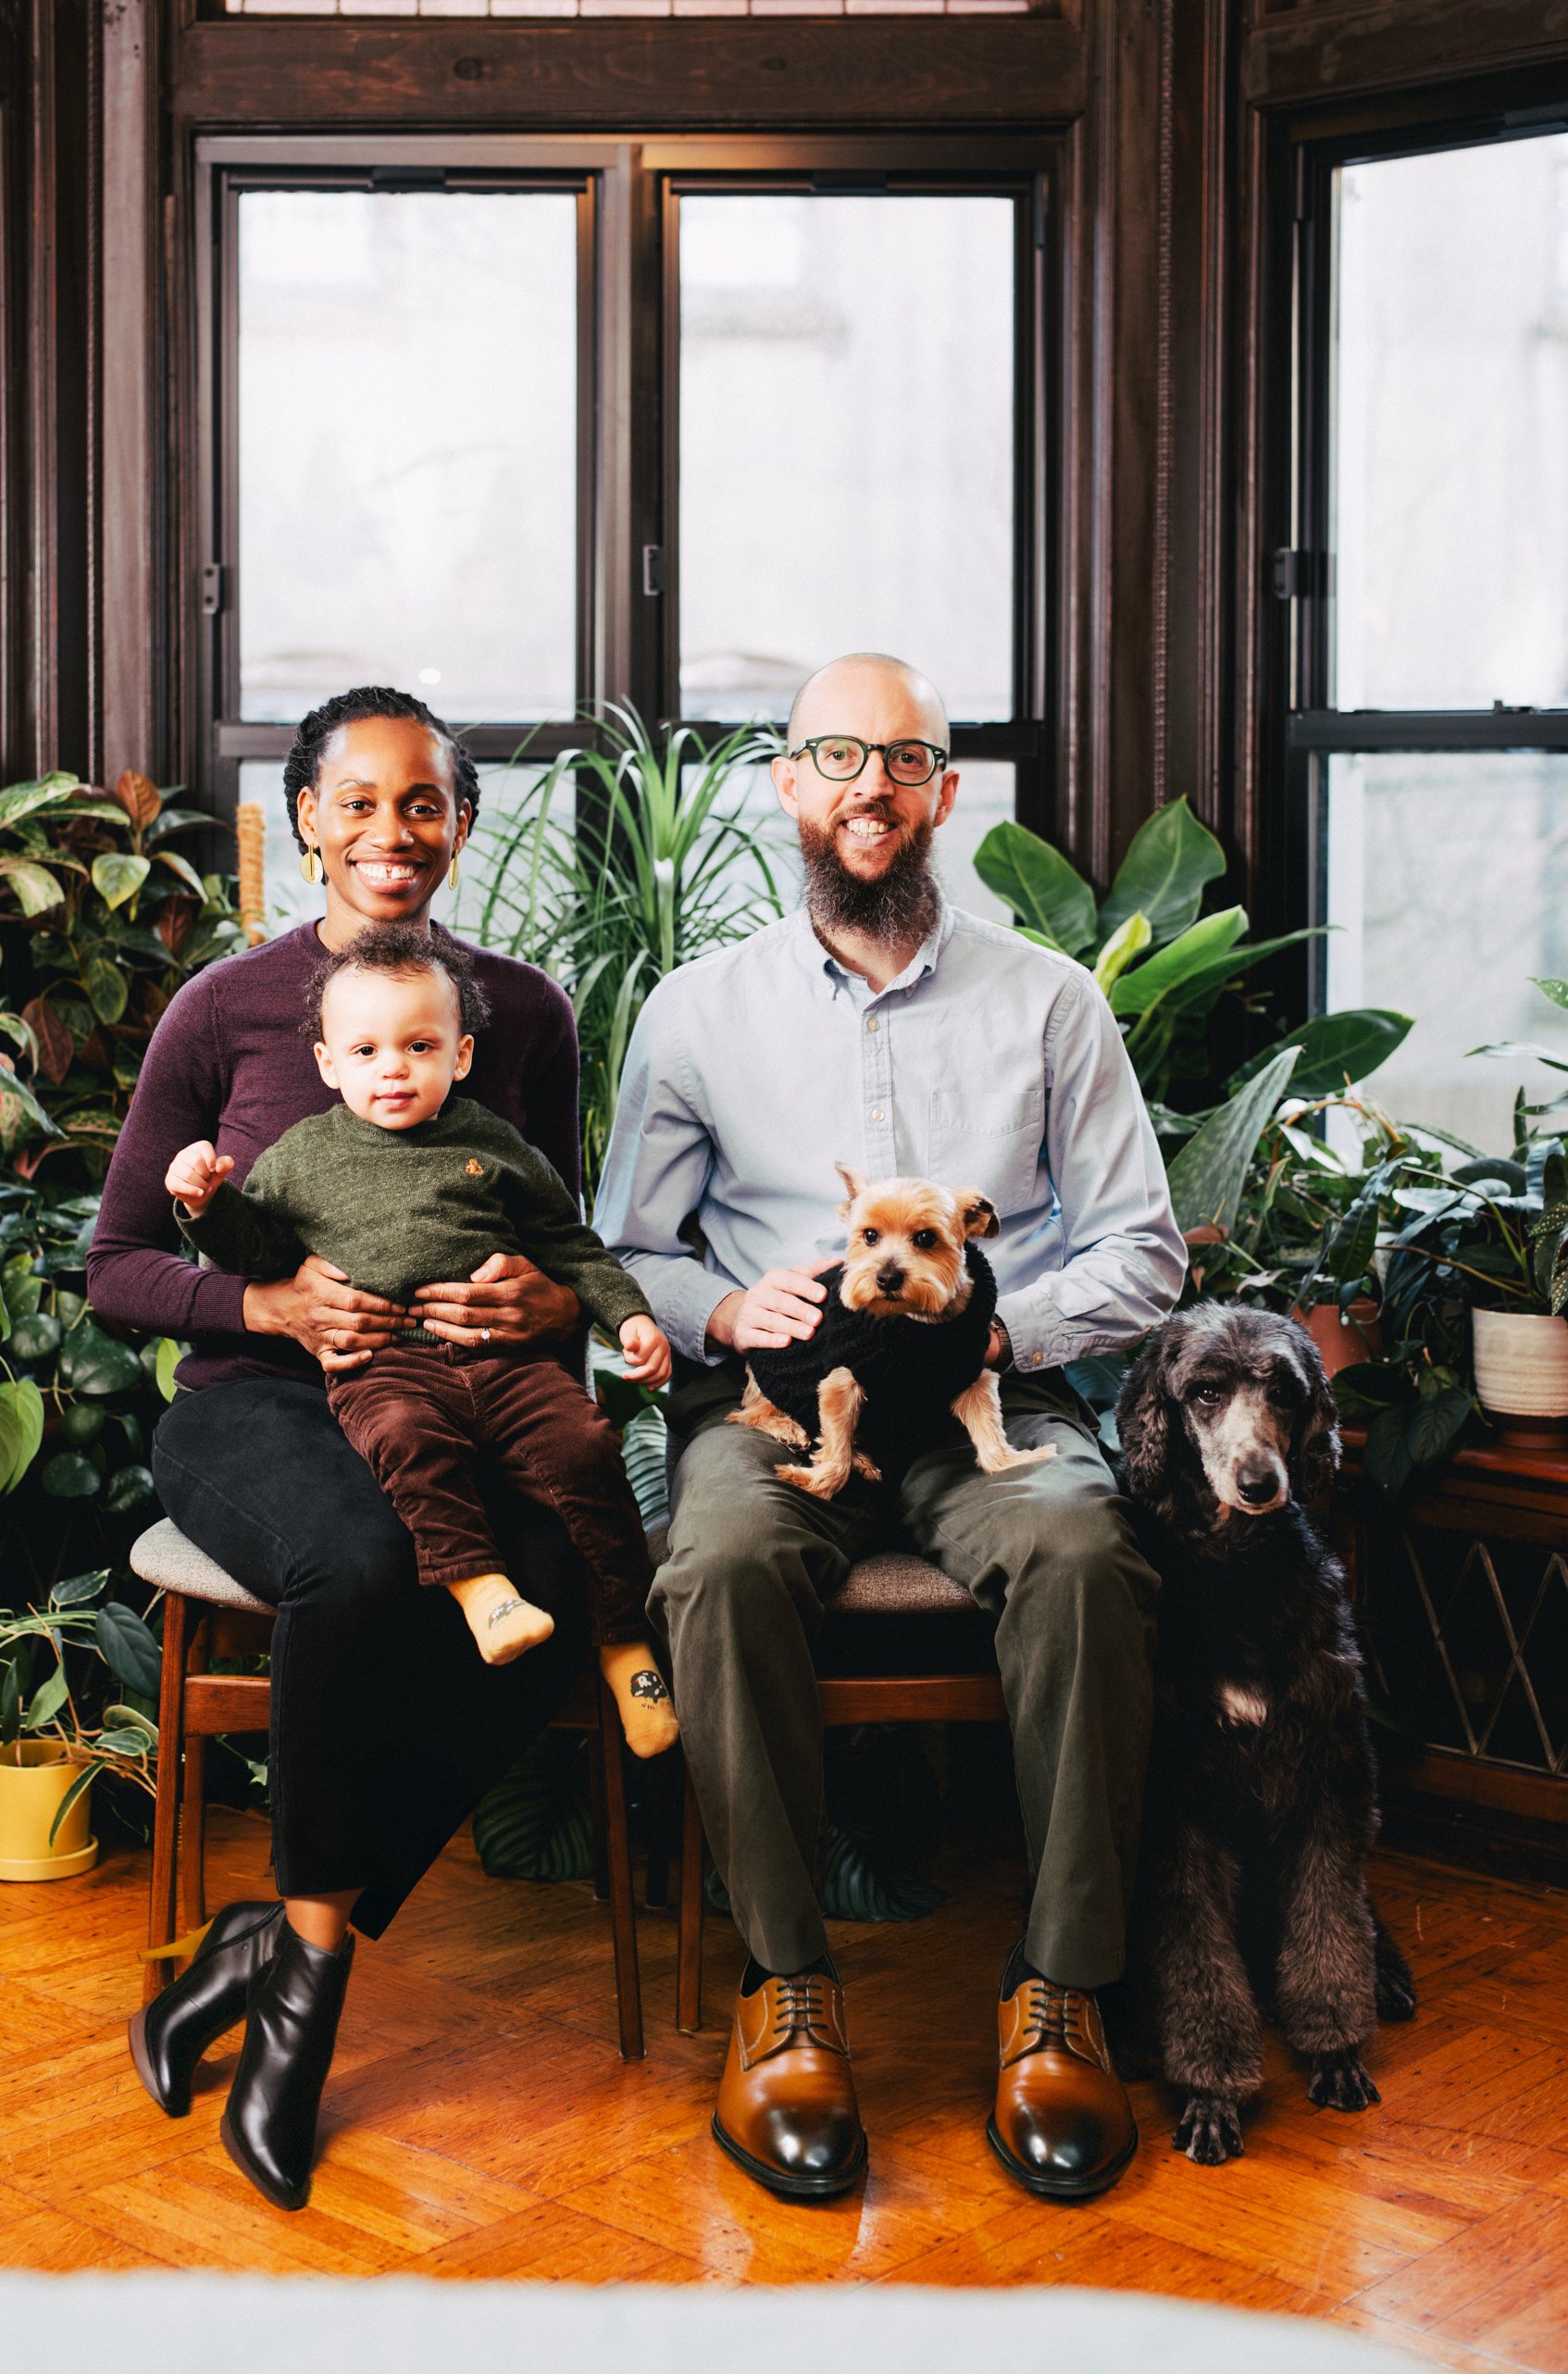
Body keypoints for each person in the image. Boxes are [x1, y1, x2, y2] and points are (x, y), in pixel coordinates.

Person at [594, 652, 1187, 2206]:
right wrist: (727, 1314)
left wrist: (1006, 1326)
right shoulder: (695, 1011)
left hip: (988, 1396)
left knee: (1078, 1552)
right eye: (837, 755)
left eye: (905, 757)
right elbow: (626, 1254)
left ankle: (1057, 1987)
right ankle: (784, 1991)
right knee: (714, 1568)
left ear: (942, 791)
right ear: (786, 786)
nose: (871, 783)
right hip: (782, 1401)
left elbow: (1141, 1244)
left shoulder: (1048, 1005)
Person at [88, 685, 598, 2215]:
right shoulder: (224, 1009)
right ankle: (298, 2029)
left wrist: (544, 1294)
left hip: (457, 1401)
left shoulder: (524, 1012)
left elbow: (562, 1244)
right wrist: (265, 1296)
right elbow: (116, 1264)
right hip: (253, 1407)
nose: (394, 832)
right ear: (306, 817)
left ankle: (276, 1946)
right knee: (370, 1568)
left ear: (463, 821)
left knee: (570, 1581)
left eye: (426, 802)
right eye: (360, 803)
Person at [164, 918, 677, 1755]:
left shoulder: (490, 1141)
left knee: (585, 1449)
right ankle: (482, 1593)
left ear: (460, 1055)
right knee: (404, 1441)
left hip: (506, 1365)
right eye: (364, 1052)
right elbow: (256, 1251)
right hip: (386, 1367)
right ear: (328, 1065)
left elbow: (569, 1243)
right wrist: (207, 1204)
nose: (392, 1069)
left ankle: (626, 1645)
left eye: (417, 1047)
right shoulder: (301, 1157)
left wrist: (629, 1316)